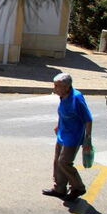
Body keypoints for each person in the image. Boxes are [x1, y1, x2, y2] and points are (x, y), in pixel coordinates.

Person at [43, 73, 93, 202]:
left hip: (73, 136)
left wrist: (88, 139)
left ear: (66, 87)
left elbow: (88, 119)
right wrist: (58, 125)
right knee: (57, 162)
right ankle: (59, 189)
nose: (54, 88)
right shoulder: (63, 96)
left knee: (64, 162)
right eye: (54, 85)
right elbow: (64, 113)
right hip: (62, 133)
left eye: (57, 86)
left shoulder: (76, 98)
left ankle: (78, 187)